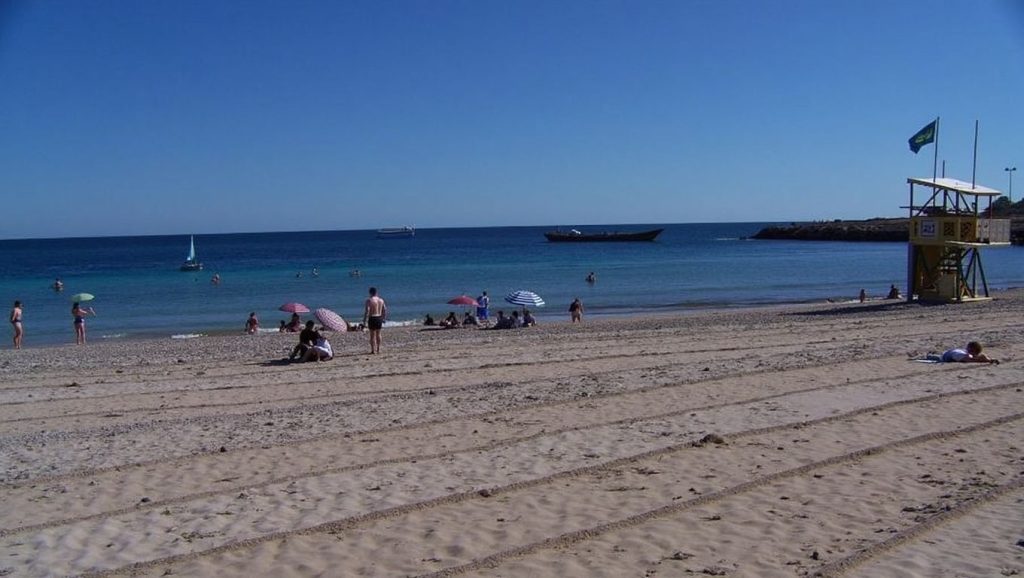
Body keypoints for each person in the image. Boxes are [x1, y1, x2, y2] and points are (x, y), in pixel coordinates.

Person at [363, 287, 387, 354]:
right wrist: (384, 318)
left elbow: (367, 310)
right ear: (376, 292)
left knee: (372, 335)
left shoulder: (369, 300)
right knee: (378, 334)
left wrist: (364, 320)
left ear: (370, 293)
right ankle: (379, 349)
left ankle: (373, 350)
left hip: (372, 318)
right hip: (379, 317)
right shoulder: (381, 300)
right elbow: (385, 309)